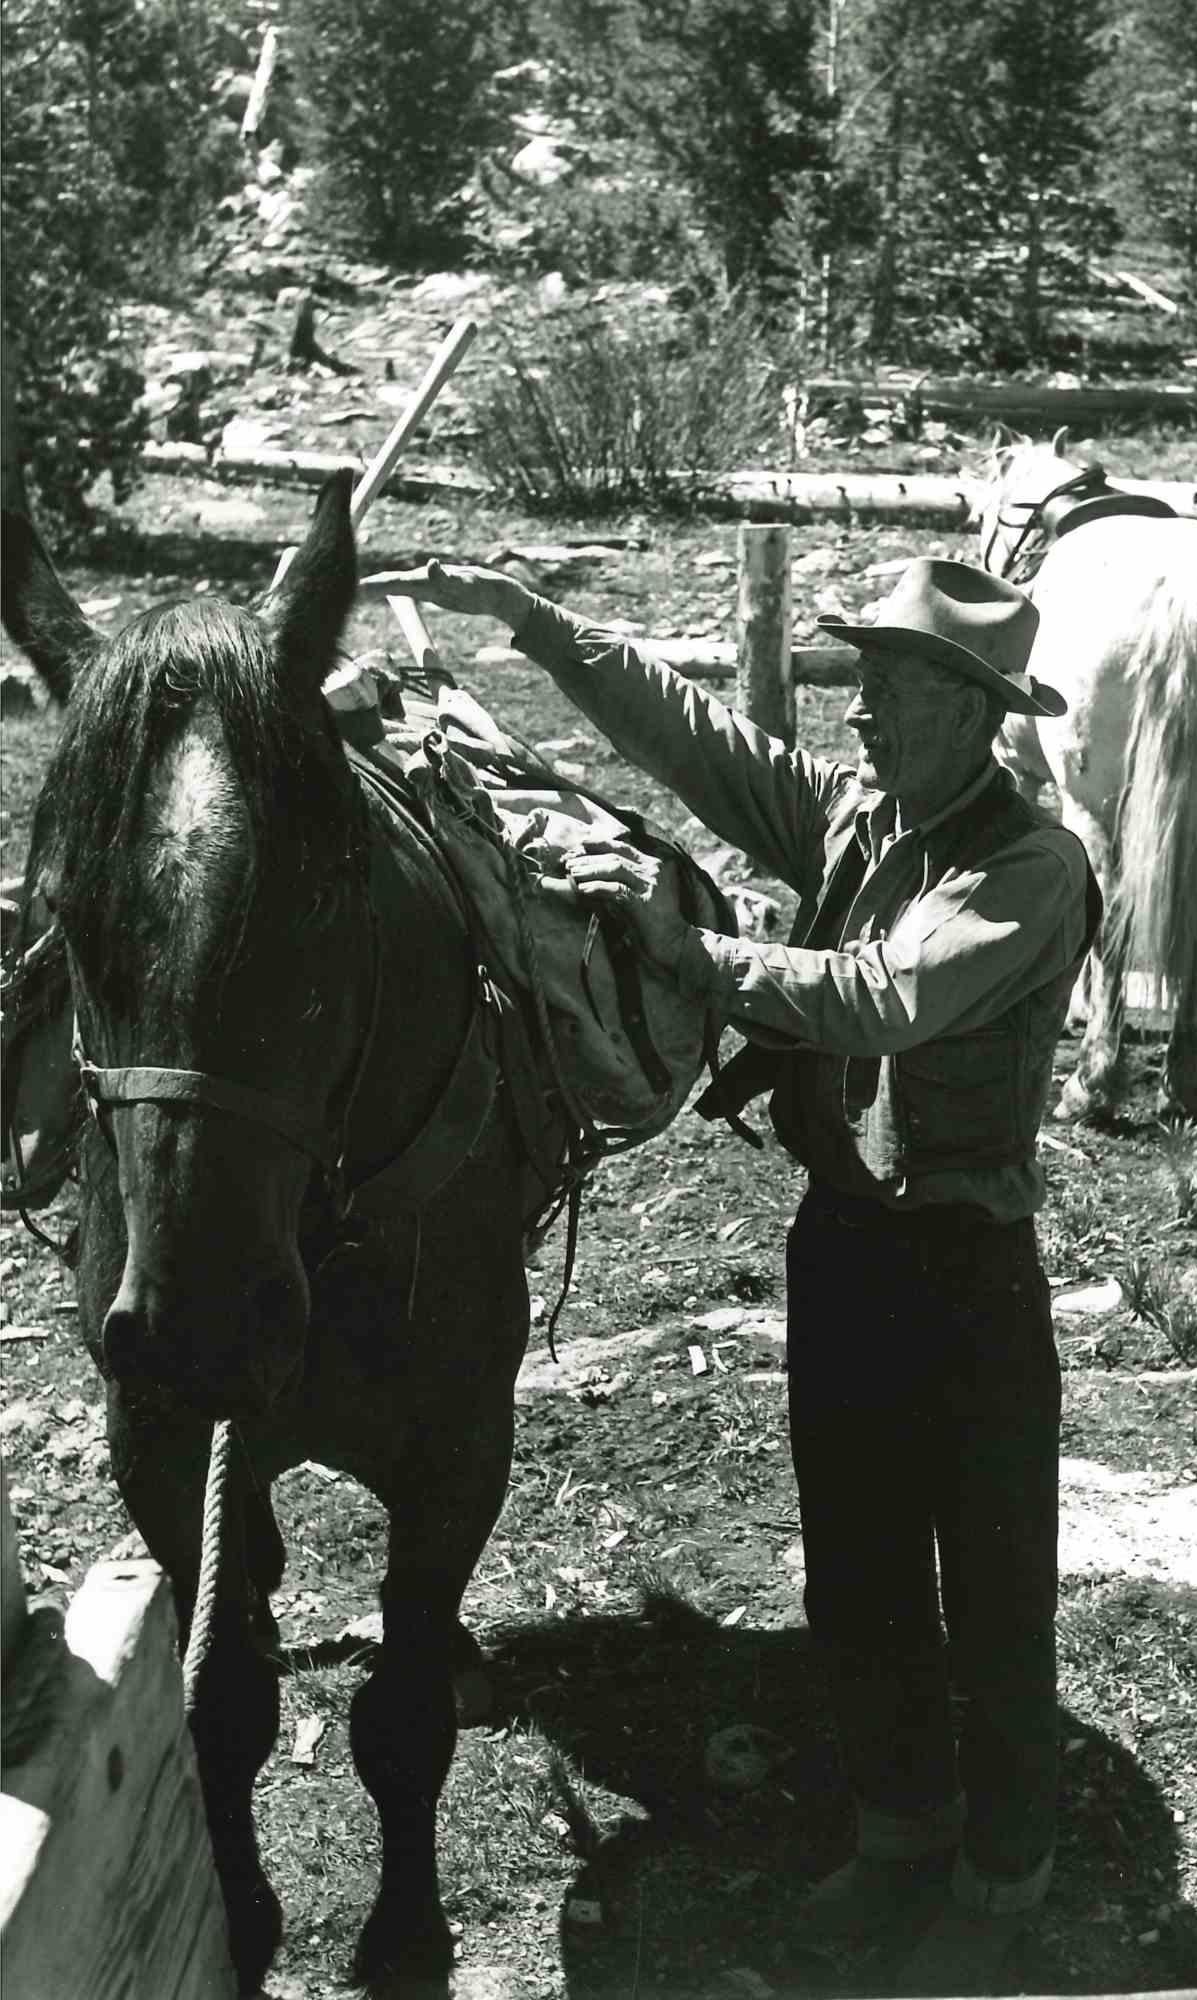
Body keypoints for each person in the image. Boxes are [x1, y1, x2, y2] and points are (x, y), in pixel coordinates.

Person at [357, 555, 1096, 1994]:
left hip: (962, 1264)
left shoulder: (1026, 864)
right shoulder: (861, 811)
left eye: (885, 689)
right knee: (860, 1566)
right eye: (863, 686)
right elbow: (694, 737)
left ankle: (1004, 1878)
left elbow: (884, 995)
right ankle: (899, 1828)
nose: (860, 713)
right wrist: (534, 624)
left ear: (965, 707)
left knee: (994, 1594)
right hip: (847, 1244)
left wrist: (682, 945)